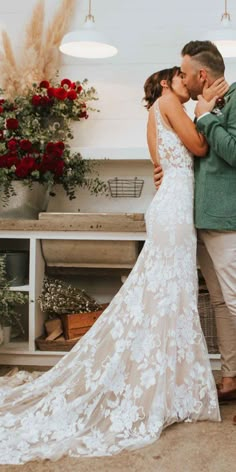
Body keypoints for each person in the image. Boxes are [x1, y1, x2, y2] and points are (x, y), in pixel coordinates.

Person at [0, 67, 220, 465]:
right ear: (168, 83)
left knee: (166, 298)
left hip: (170, 205)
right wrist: (206, 108)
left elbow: (172, 159)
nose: (188, 82)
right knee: (167, 297)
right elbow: (200, 148)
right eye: (181, 77)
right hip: (173, 211)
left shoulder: (157, 110)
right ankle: (160, 390)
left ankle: (165, 387)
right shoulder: (170, 103)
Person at [154, 41, 236, 403]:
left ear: (202, 74)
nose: (182, 80)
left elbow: (233, 151)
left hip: (225, 218)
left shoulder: (230, 101)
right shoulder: (201, 106)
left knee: (235, 300)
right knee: (219, 301)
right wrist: (167, 173)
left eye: (186, 73)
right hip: (197, 217)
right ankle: (231, 378)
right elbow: (193, 150)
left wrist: (205, 115)